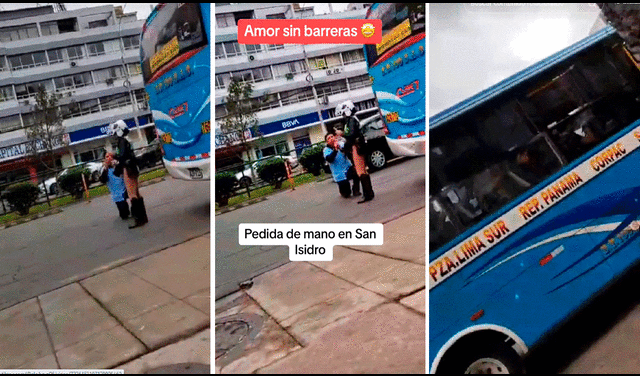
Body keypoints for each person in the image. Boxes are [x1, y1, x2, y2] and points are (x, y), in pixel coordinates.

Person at [108, 120, 148, 229]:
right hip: (133, 167)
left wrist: (113, 156)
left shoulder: (121, 141)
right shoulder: (126, 139)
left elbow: (122, 156)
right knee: (136, 192)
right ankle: (143, 218)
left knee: (132, 194)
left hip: (128, 168)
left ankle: (138, 219)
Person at [336, 100, 374, 203]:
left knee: (360, 171)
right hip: (358, 145)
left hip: (357, 146)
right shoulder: (352, 119)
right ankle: (369, 193)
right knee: (362, 170)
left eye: (343, 113)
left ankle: (368, 194)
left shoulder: (351, 120)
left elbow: (351, 135)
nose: (343, 115)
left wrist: (342, 134)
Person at [324, 133, 360, 198]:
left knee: (356, 174)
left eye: (332, 136)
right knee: (346, 194)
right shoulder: (326, 150)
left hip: (347, 167)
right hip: (339, 173)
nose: (331, 139)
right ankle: (345, 191)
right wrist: (335, 150)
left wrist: (342, 149)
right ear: (327, 142)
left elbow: (348, 151)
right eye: (329, 138)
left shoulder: (340, 144)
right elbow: (329, 159)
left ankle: (356, 190)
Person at [99, 152, 130, 220]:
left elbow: (121, 172)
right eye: (107, 157)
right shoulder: (104, 168)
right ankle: (123, 213)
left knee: (123, 202)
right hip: (114, 191)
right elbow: (103, 179)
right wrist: (106, 167)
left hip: (122, 187)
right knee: (120, 206)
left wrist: (116, 165)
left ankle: (127, 212)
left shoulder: (117, 164)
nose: (109, 158)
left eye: (110, 156)